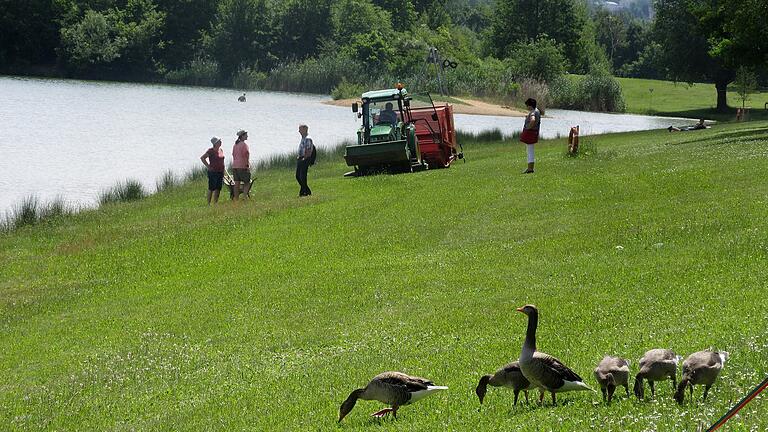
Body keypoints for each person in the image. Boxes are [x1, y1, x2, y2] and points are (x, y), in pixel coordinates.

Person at [200, 136, 225, 205]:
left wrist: (224, 170)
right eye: (219, 141)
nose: (220, 142)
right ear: (215, 143)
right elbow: (202, 158)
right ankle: (208, 203)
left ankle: (215, 202)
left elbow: (222, 160)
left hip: (220, 171)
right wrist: (208, 166)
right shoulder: (210, 151)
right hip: (213, 172)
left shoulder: (221, 150)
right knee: (211, 188)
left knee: (218, 188)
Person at [519, 98, 540, 174]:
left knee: (529, 151)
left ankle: (530, 168)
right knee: (530, 150)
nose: (527, 107)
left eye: (527, 105)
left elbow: (533, 120)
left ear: (530, 106)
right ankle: (530, 168)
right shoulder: (537, 111)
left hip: (530, 133)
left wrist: (528, 127)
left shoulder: (532, 112)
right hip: (534, 133)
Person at [296, 124, 314, 197]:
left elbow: (308, 150)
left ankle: (305, 192)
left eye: (300, 129)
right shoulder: (303, 138)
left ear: (304, 130)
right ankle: (306, 190)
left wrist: (304, 158)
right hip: (301, 158)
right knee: (298, 176)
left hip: (305, 159)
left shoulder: (308, 139)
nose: (299, 131)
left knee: (302, 176)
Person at [232, 130, 251, 200]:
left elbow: (233, 155)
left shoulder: (235, 145)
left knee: (237, 183)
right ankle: (244, 196)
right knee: (247, 182)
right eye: (246, 135)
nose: (247, 136)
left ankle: (236, 199)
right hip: (242, 166)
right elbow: (246, 155)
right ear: (242, 136)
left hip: (235, 166)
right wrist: (247, 165)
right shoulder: (244, 145)